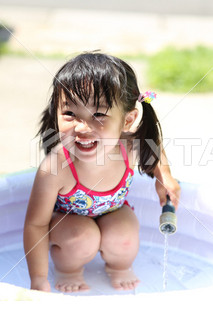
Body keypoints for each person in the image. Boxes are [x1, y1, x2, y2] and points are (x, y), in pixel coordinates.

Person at [23, 52, 180, 293]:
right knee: (80, 237)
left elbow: (154, 144)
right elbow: (35, 225)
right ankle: (68, 270)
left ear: (128, 120)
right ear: (56, 111)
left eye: (98, 115)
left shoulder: (129, 146)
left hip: (113, 212)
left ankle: (119, 266)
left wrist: (164, 176)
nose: (82, 127)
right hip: (69, 223)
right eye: (69, 114)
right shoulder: (55, 168)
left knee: (125, 233)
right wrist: (38, 278)